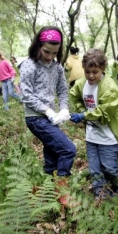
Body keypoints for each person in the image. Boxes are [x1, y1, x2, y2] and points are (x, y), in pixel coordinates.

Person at [19, 26, 76, 206]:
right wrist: (47, 110)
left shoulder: (57, 67)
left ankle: (45, 194)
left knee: (52, 157)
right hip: (35, 117)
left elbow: (62, 89)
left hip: (51, 118)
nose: (50, 56)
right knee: (68, 150)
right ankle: (63, 193)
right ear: (38, 45)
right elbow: (26, 94)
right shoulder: (29, 65)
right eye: (46, 51)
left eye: (54, 52)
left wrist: (64, 108)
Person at [69, 48, 118, 199]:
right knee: (95, 169)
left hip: (108, 137)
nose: (90, 75)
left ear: (103, 69)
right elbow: (74, 95)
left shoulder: (110, 88)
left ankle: (116, 186)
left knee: (110, 168)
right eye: (87, 71)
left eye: (95, 71)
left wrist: (83, 115)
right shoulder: (82, 84)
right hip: (92, 136)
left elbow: (103, 112)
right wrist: (81, 109)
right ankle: (100, 194)